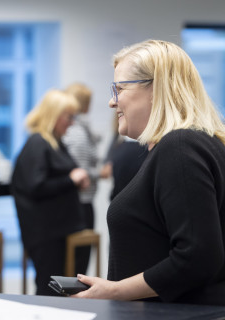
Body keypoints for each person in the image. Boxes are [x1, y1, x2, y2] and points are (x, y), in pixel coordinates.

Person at [74, 40, 225, 306]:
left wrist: (114, 291)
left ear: (157, 89)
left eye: (119, 88)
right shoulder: (195, 144)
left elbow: (198, 257)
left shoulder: (179, 147)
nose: (112, 102)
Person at [11, 89, 90, 295]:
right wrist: (70, 180)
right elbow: (36, 187)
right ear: (54, 115)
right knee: (49, 289)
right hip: (45, 234)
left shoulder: (53, 142)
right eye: (69, 117)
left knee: (57, 288)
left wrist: (73, 180)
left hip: (55, 231)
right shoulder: (38, 143)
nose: (72, 123)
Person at [62, 83, 101, 273]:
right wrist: (101, 173)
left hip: (80, 203)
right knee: (79, 266)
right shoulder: (77, 133)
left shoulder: (78, 131)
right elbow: (80, 171)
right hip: (81, 204)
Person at [101, 117, 148, 200]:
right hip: (122, 197)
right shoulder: (119, 139)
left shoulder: (125, 145)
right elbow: (105, 172)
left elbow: (106, 171)